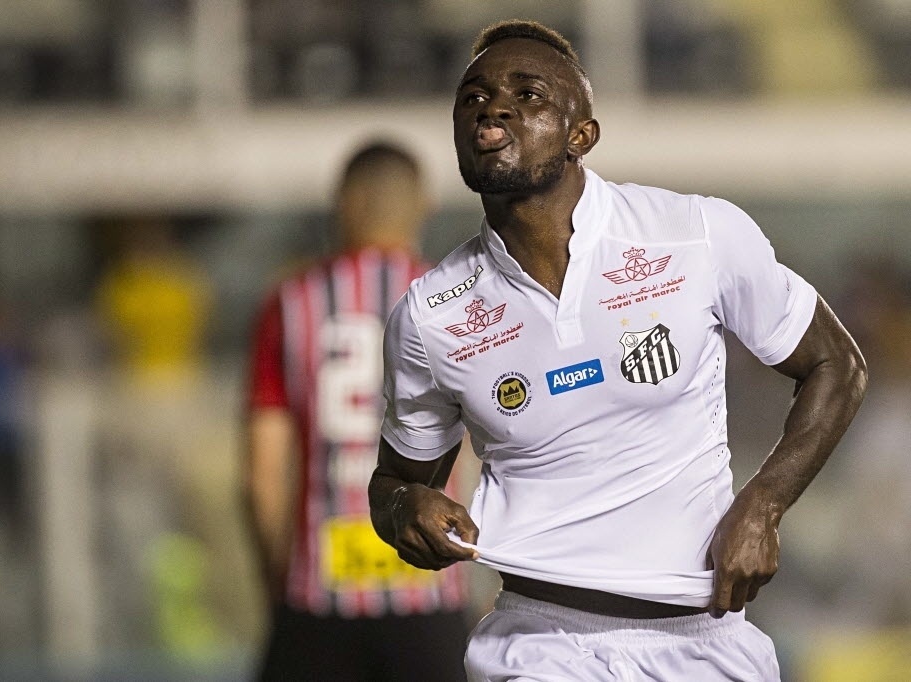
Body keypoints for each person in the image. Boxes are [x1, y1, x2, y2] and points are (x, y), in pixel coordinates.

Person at [368, 20, 867, 681]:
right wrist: (406, 509)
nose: (494, 107)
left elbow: (838, 365)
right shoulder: (432, 315)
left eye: (529, 94)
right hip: (540, 642)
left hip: (706, 641)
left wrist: (765, 503)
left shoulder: (693, 234)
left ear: (583, 135)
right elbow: (392, 483)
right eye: (474, 96)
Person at [247, 142, 471, 681]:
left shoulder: (291, 302)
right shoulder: (459, 302)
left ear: (342, 203)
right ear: (422, 204)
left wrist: (279, 582)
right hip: (428, 595)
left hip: (317, 597)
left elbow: (262, 476)